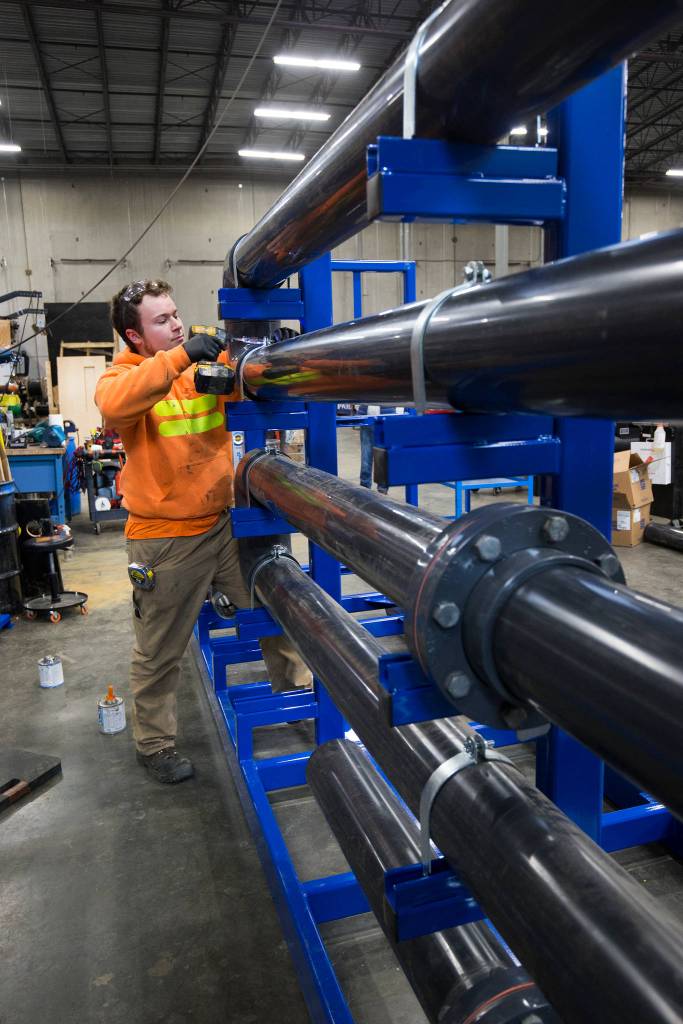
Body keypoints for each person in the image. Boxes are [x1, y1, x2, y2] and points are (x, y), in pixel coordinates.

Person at [95, 280, 311, 784]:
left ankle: (297, 697)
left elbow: (245, 383)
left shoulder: (198, 371)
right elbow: (114, 407)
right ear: (134, 335)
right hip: (165, 540)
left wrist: (272, 359)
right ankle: (155, 744)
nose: (175, 325)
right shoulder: (122, 377)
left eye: (175, 314)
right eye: (161, 321)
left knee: (274, 606)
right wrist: (180, 357)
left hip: (224, 526)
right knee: (160, 648)